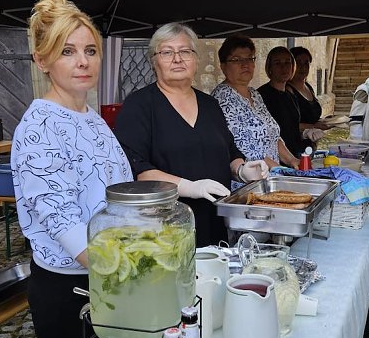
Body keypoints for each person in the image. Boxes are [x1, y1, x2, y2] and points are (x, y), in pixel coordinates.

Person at [11, 0, 133, 338]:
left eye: (90, 50)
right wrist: (133, 273)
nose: (83, 61)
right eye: (67, 51)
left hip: (107, 277)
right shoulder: (39, 128)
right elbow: (63, 221)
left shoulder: (90, 117)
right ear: (42, 60)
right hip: (71, 288)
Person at [115, 23, 268, 247]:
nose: (177, 59)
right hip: (166, 229)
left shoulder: (210, 105)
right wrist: (188, 187)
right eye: (167, 52)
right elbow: (135, 168)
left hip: (215, 222)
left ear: (196, 60)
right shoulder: (138, 105)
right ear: (154, 61)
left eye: (185, 51)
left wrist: (242, 170)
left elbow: (229, 152)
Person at [211, 35, 299, 181]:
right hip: (248, 184)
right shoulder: (222, 98)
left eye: (249, 58)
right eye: (236, 59)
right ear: (223, 66)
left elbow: (272, 136)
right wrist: (279, 169)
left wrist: (292, 160)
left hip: (272, 178)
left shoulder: (255, 94)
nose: (245, 64)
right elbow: (242, 148)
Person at [258, 46, 323, 156]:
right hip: (276, 159)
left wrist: (306, 133)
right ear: (269, 68)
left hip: (296, 155)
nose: (284, 67)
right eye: (278, 63)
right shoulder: (261, 95)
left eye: (287, 62)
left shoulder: (290, 95)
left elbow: (291, 128)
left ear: (293, 67)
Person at [287, 46, 330, 131]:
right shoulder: (287, 90)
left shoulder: (308, 87)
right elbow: (289, 124)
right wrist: (314, 126)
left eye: (306, 63)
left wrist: (326, 121)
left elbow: (312, 117)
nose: (303, 67)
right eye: (298, 62)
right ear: (292, 65)